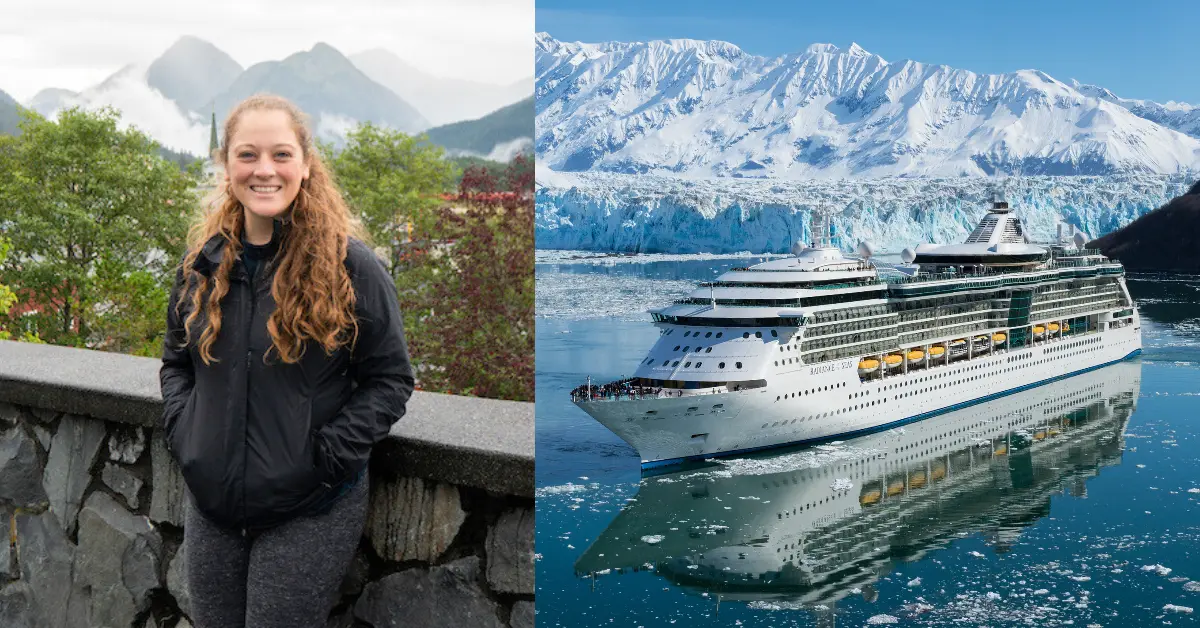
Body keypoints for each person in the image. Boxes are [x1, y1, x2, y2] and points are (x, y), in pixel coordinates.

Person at [159, 94, 414, 628]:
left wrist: (322, 459)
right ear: (226, 165)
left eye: (281, 154)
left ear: (305, 163)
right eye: (247, 155)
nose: (264, 170)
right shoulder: (203, 266)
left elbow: (390, 379)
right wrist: (189, 435)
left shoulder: (351, 267)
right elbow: (177, 364)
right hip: (214, 503)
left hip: (310, 506)